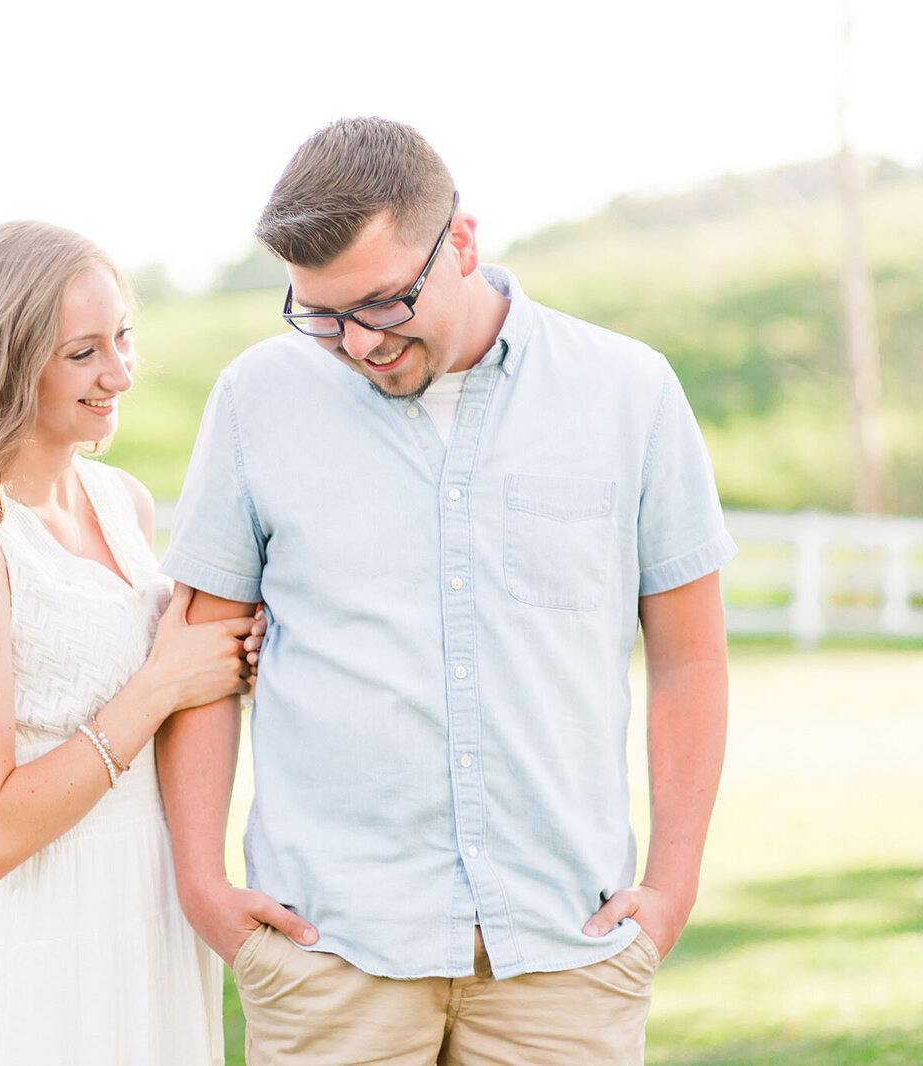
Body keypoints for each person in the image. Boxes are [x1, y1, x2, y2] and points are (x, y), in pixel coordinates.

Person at [155, 117, 736, 1065]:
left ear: (460, 243)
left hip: (566, 953)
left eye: (382, 304)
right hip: (329, 953)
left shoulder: (630, 392)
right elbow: (202, 660)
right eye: (321, 313)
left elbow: (690, 658)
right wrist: (201, 885)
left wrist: (671, 889)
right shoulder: (258, 398)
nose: (354, 343)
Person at [0, 220, 283, 1065]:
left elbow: (180, 674)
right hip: (55, 934)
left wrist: (242, 655)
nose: (120, 373)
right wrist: (159, 687)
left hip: (156, 912)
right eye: (83, 352)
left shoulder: (123, 502)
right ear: (10, 364)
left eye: (122, 337)